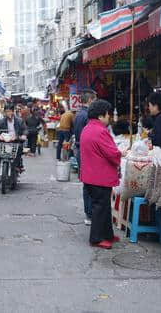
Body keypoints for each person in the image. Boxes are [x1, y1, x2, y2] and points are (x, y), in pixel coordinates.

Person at [79, 100, 121, 249]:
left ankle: (107, 234)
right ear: (101, 115)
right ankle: (96, 239)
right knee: (100, 207)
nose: (109, 117)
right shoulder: (100, 131)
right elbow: (112, 153)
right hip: (99, 176)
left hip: (91, 175)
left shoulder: (87, 128)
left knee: (103, 206)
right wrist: (121, 154)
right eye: (108, 114)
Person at [73, 90, 97, 225]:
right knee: (89, 183)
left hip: (80, 149)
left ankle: (89, 213)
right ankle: (89, 213)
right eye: (95, 100)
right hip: (85, 151)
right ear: (89, 101)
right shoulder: (87, 115)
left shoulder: (79, 114)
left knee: (86, 182)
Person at [0, 104, 26, 172]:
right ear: (4, 112)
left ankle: (16, 164)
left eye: (9, 111)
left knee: (20, 147)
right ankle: (0, 162)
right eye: (6, 111)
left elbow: (25, 129)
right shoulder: (1, 121)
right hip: (4, 141)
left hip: (15, 140)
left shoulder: (19, 121)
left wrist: (24, 135)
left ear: (13, 111)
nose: (8, 113)